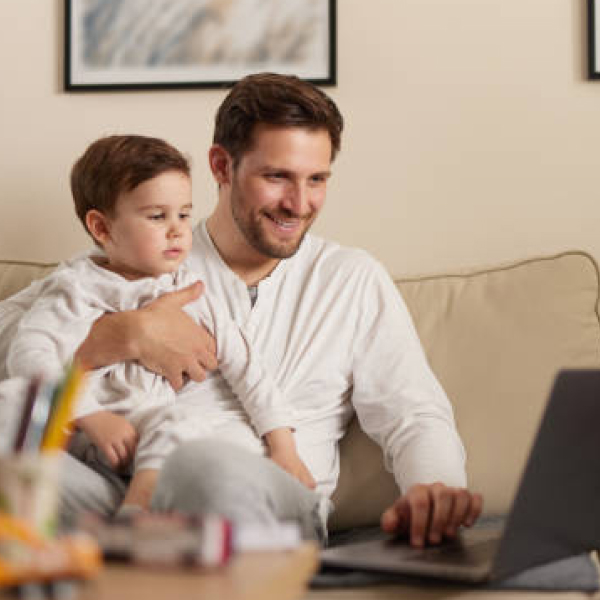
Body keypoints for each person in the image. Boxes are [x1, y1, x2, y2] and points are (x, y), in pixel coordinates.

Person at [1, 73, 482, 546]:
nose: (298, 203)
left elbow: (414, 414)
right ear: (221, 166)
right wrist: (119, 336)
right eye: (277, 177)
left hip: (267, 498)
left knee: (201, 465)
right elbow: (16, 341)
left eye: (316, 179)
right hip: (121, 494)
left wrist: (433, 489)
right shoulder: (147, 255)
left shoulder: (352, 280)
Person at [2, 134, 315, 514]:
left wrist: (283, 447)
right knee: (12, 397)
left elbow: (248, 369)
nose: (178, 230)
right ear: (102, 228)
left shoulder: (191, 290)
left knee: (184, 423)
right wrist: (88, 414)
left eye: (184, 214)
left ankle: (139, 506)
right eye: (157, 216)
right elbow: (28, 353)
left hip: (144, 434)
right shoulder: (74, 287)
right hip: (76, 428)